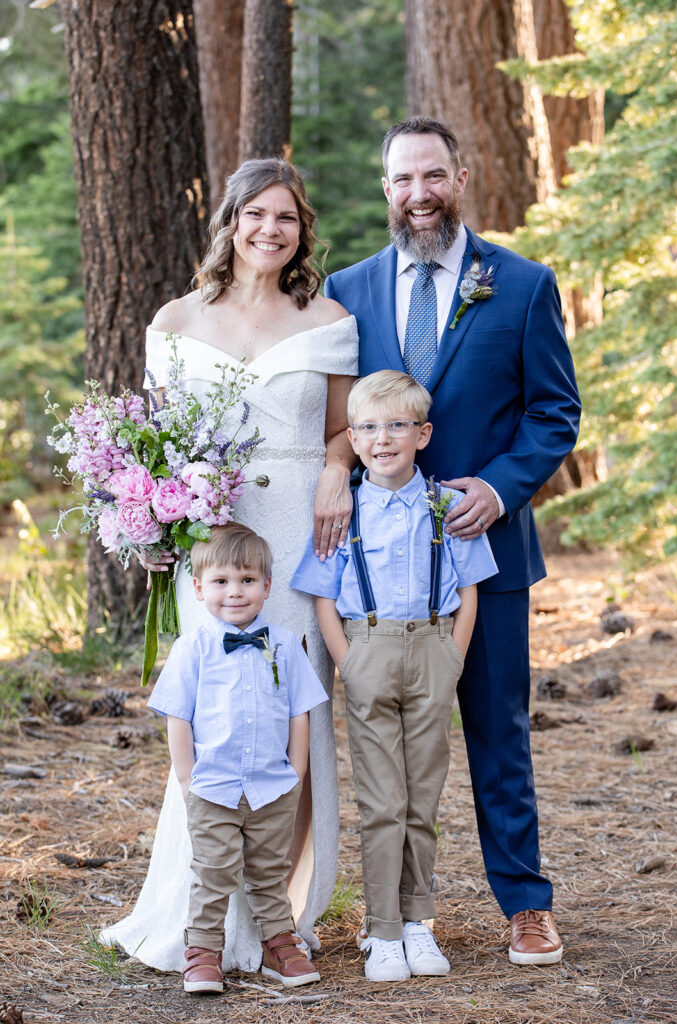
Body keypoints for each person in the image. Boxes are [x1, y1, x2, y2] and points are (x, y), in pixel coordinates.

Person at [325, 117, 581, 966]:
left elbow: (553, 413)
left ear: (461, 177)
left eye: (432, 176)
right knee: (385, 748)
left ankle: (525, 903)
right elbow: (333, 419)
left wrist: (499, 488)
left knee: (496, 730)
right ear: (385, 189)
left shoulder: (521, 284)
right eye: (402, 180)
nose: (418, 194)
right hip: (380, 573)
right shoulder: (347, 289)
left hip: (488, 561)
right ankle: (390, 919)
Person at [100, 157, 358, 972]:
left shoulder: (327, 320)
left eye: (285, 217)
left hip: (293, 536)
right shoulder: (176, 320)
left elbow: (346, 430)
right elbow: (154, 442)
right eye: (256, 215)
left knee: (292, 711)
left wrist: (331, 470)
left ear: (300, 231)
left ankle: (279, 911)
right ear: (232, 221)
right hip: (211, 542)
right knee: (210, 709)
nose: (269, 230)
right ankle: (199, 914)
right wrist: (149, 512)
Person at [291, 370, 498, 981]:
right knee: (382, 800)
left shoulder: (447, 505)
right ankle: (381, 930)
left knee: (421, 798)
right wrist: (348, 661)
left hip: (434, 650)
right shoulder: (342, 511)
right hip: (368, 651)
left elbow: (468, 588)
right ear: (352, 439)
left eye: (397, 426)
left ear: (423, 434)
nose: (383, 439)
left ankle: (418, 924)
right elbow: (325, 596)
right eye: (370, 428)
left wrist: (454, 655)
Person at [148, 524, 328, 992]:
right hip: (214, 786)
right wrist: (188, 779)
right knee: (212, 873)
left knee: (270, 873)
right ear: (198, 587)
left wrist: (297, 770)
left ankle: (279, 944)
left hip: (273, 785)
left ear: (267, 586)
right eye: (222, 581)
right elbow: (177, 717)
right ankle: (203, 950)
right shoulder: (193, 649)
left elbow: (300, 711)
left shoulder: (286, 645)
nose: (235, 592)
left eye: (247, 580)